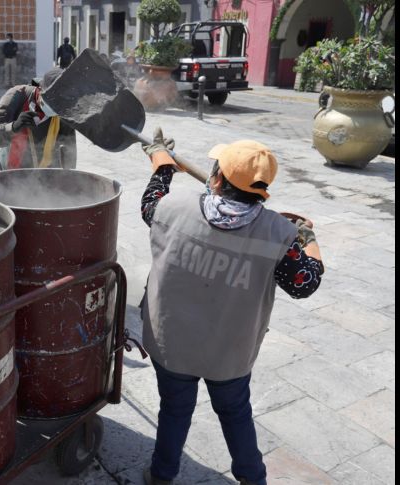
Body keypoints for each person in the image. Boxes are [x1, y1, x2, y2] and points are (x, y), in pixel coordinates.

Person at [138, 129, 324, 485]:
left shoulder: (173, 208)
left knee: (174, 411)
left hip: (172, 343)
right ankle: (252, 479)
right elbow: (307, 282)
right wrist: (306, 237)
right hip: (229, 354)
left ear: (218, 178)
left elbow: (151, 201)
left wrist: (160, 160)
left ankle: (161, 475)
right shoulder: (277, 235)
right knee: (235, 414)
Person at [0, 68, 77, 170]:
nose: (55, 107)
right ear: (40, 90)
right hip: (12, 170)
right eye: (52, 100)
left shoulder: (64, 109)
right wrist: (13, 127)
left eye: (59, 103)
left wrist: (68, 177)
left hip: (46, 173)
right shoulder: (16, 96)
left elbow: (69, 147)